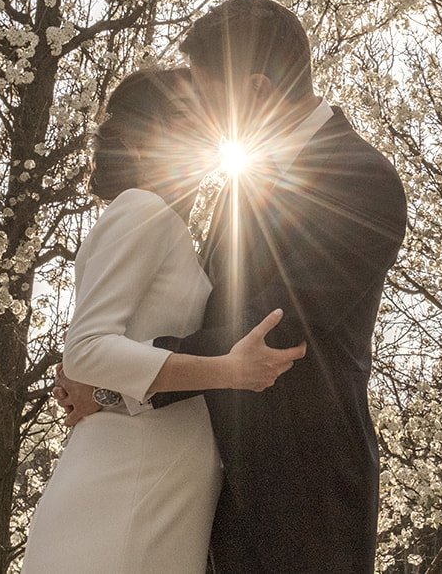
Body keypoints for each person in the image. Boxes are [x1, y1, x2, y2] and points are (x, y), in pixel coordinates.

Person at [58, 0, 408, 574]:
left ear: (255, 93)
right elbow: (203, 323)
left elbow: (271, 333)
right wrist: (109, 368)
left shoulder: (362, 181)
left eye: (210, 97)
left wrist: (116, 383)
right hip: (217, 497)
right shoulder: (236, 191)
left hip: (305, 499)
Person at [22, 66, 304, 574]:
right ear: (138, 142)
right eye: (182, 119)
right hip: (127, 484)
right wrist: (228, 370)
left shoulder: (166, 225)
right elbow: (85, 349)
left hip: (161, 480)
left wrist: (103, 392)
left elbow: (104, 364)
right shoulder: (142, 209)